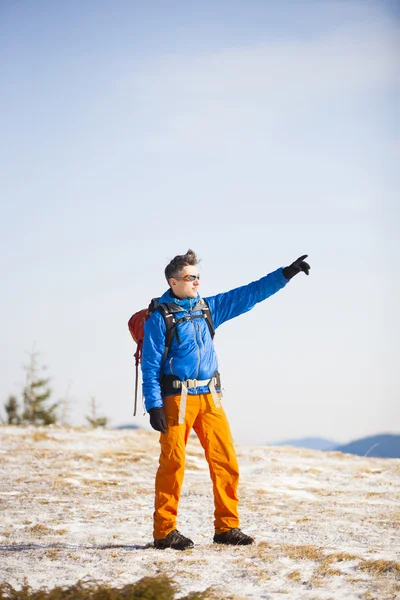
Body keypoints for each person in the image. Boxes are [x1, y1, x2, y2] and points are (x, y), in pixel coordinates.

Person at [142, 250, 310, 550]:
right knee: (173, 464)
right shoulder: (159, 318)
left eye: (198, 277)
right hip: (176, 399)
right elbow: (151, 365)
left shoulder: (210, 308)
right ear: (173, 281)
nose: (196, 282)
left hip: (210, 397)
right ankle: (164, 532)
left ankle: (227, 527)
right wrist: (153, 405)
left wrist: (285, 274)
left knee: (226, 462)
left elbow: (249, 294)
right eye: (190, 277)